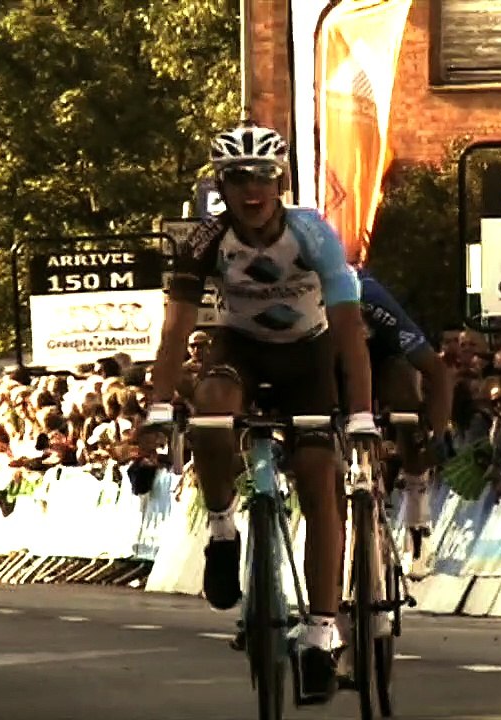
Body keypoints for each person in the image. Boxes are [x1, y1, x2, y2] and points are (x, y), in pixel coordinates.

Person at [147, 121, 376, 704]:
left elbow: (350, 333)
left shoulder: (313, 234)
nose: (251, 190)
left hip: (310, 357)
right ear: (221, 184)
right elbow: (176, 330)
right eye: (237, 178)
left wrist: (361, 414)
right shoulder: (204, 240)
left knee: (321, 478)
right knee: (211, 408)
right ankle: (223, 528)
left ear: (281, 182)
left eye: (264, 178)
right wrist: (154, 406)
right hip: (240, 351)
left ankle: (322, 631)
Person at [355, 268, 454, 534]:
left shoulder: (369, 295)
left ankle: (416, 490)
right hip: (330, 357)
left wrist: (438, 433)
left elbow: (436, 371)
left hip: (385, 356)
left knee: (405, 397)